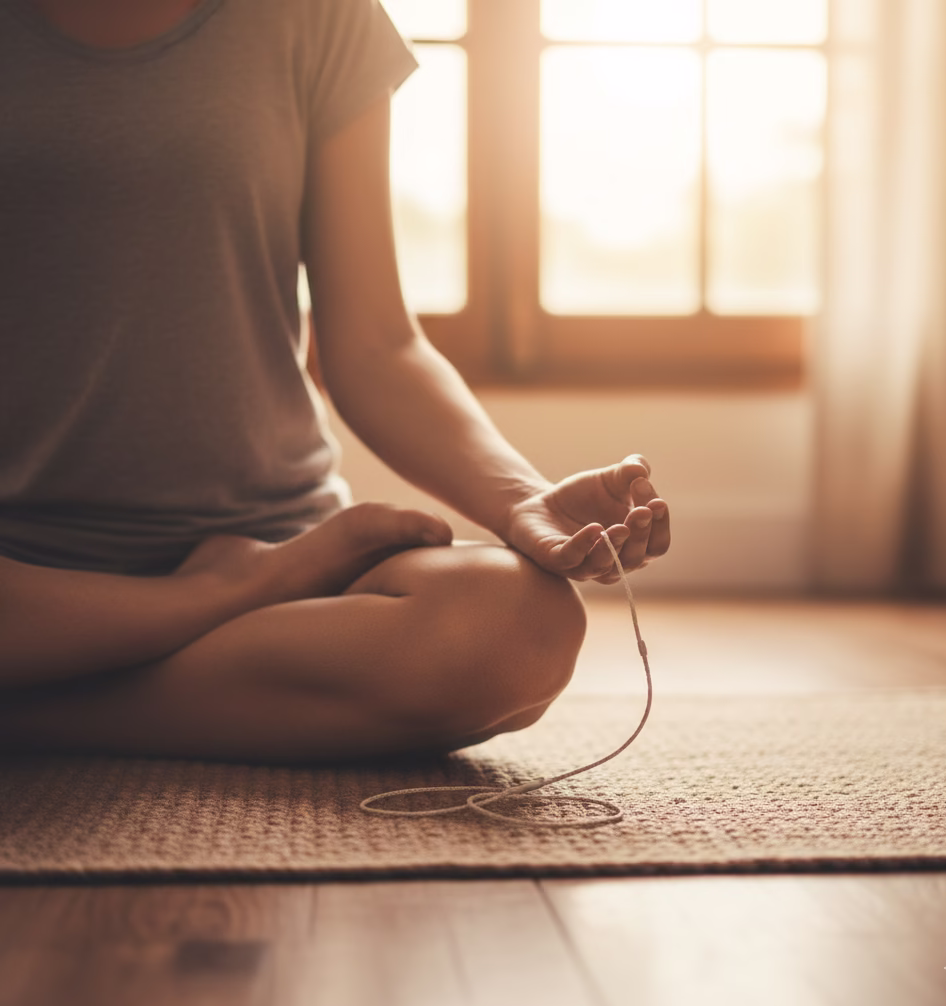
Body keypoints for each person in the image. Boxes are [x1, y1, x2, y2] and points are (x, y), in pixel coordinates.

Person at [0, 0, 671, 762]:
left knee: (518, 628)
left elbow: (376, 345)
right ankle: (209, 604)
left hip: (281, 557)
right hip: (27, 579)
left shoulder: (319, 13)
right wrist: (233, 592)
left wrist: (521, 500)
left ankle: (31, 708)